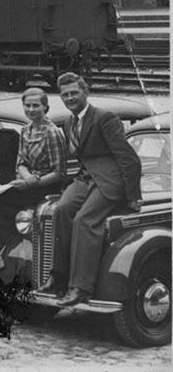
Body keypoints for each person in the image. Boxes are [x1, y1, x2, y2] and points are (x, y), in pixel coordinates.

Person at [37, 73, 141, 306]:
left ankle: (81, 287)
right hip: (85, 178)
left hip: (109, 180)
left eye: (74, 93)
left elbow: (128, 158)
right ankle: (59, 277)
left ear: (86, 92)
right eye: (65, 95)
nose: (70, 98)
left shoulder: (105, 118)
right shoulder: (68, 122)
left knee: (84, 220)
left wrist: (133, 196)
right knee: (60, 210)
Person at [0, 88, 66, 292]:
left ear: (45, 107)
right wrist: (25, 177)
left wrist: (33, 182)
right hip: (26, 182)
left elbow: (60, 172)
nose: (31, 110)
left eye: (36, 106)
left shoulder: (52, 132)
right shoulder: (26, 130)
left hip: (46, 187)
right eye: (28, 106)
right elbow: (21, 163)